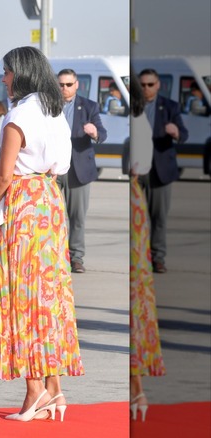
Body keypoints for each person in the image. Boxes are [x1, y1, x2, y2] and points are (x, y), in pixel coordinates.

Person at [0, 46, 84, 422]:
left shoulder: (19, 115)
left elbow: (4, 174)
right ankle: (55, 389)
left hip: (24, 203)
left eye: (7, 72)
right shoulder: (55, 112)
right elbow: (59, 167)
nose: (4, 78)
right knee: (52, 294)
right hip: (49, 198)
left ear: (21, 73)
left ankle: (34, 393)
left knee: (24, 297)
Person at [127, 74, 166, 422]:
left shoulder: (133, 123)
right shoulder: (140, 120)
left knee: (133, 293)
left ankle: (136, 387)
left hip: (131, 200)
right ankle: (136, 388)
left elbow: (134, 165)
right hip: (136, 201)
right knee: (137, 292)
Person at [55, 68, 108, 274]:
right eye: (61, 84)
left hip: (78, 170)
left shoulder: (88, 106)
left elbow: (102, 133)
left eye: (69, 84)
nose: (65, 88)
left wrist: (94, 133)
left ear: (77, 85)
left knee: (77, 217)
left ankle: (76, 257)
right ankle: (55, 256)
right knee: (52, 217)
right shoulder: (48, 105)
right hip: (53, 169)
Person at [137, 68, 188, 273]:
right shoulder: (134, 106)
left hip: (160, 171)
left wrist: (176, 133)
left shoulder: (169, 107)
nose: (146, 88)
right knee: (137, 218)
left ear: (158, 85)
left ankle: (158, 257)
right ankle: (139, 257)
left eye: (150, 84)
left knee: (159, 218)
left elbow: (184, 133)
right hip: (138, 171)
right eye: (143, 85)